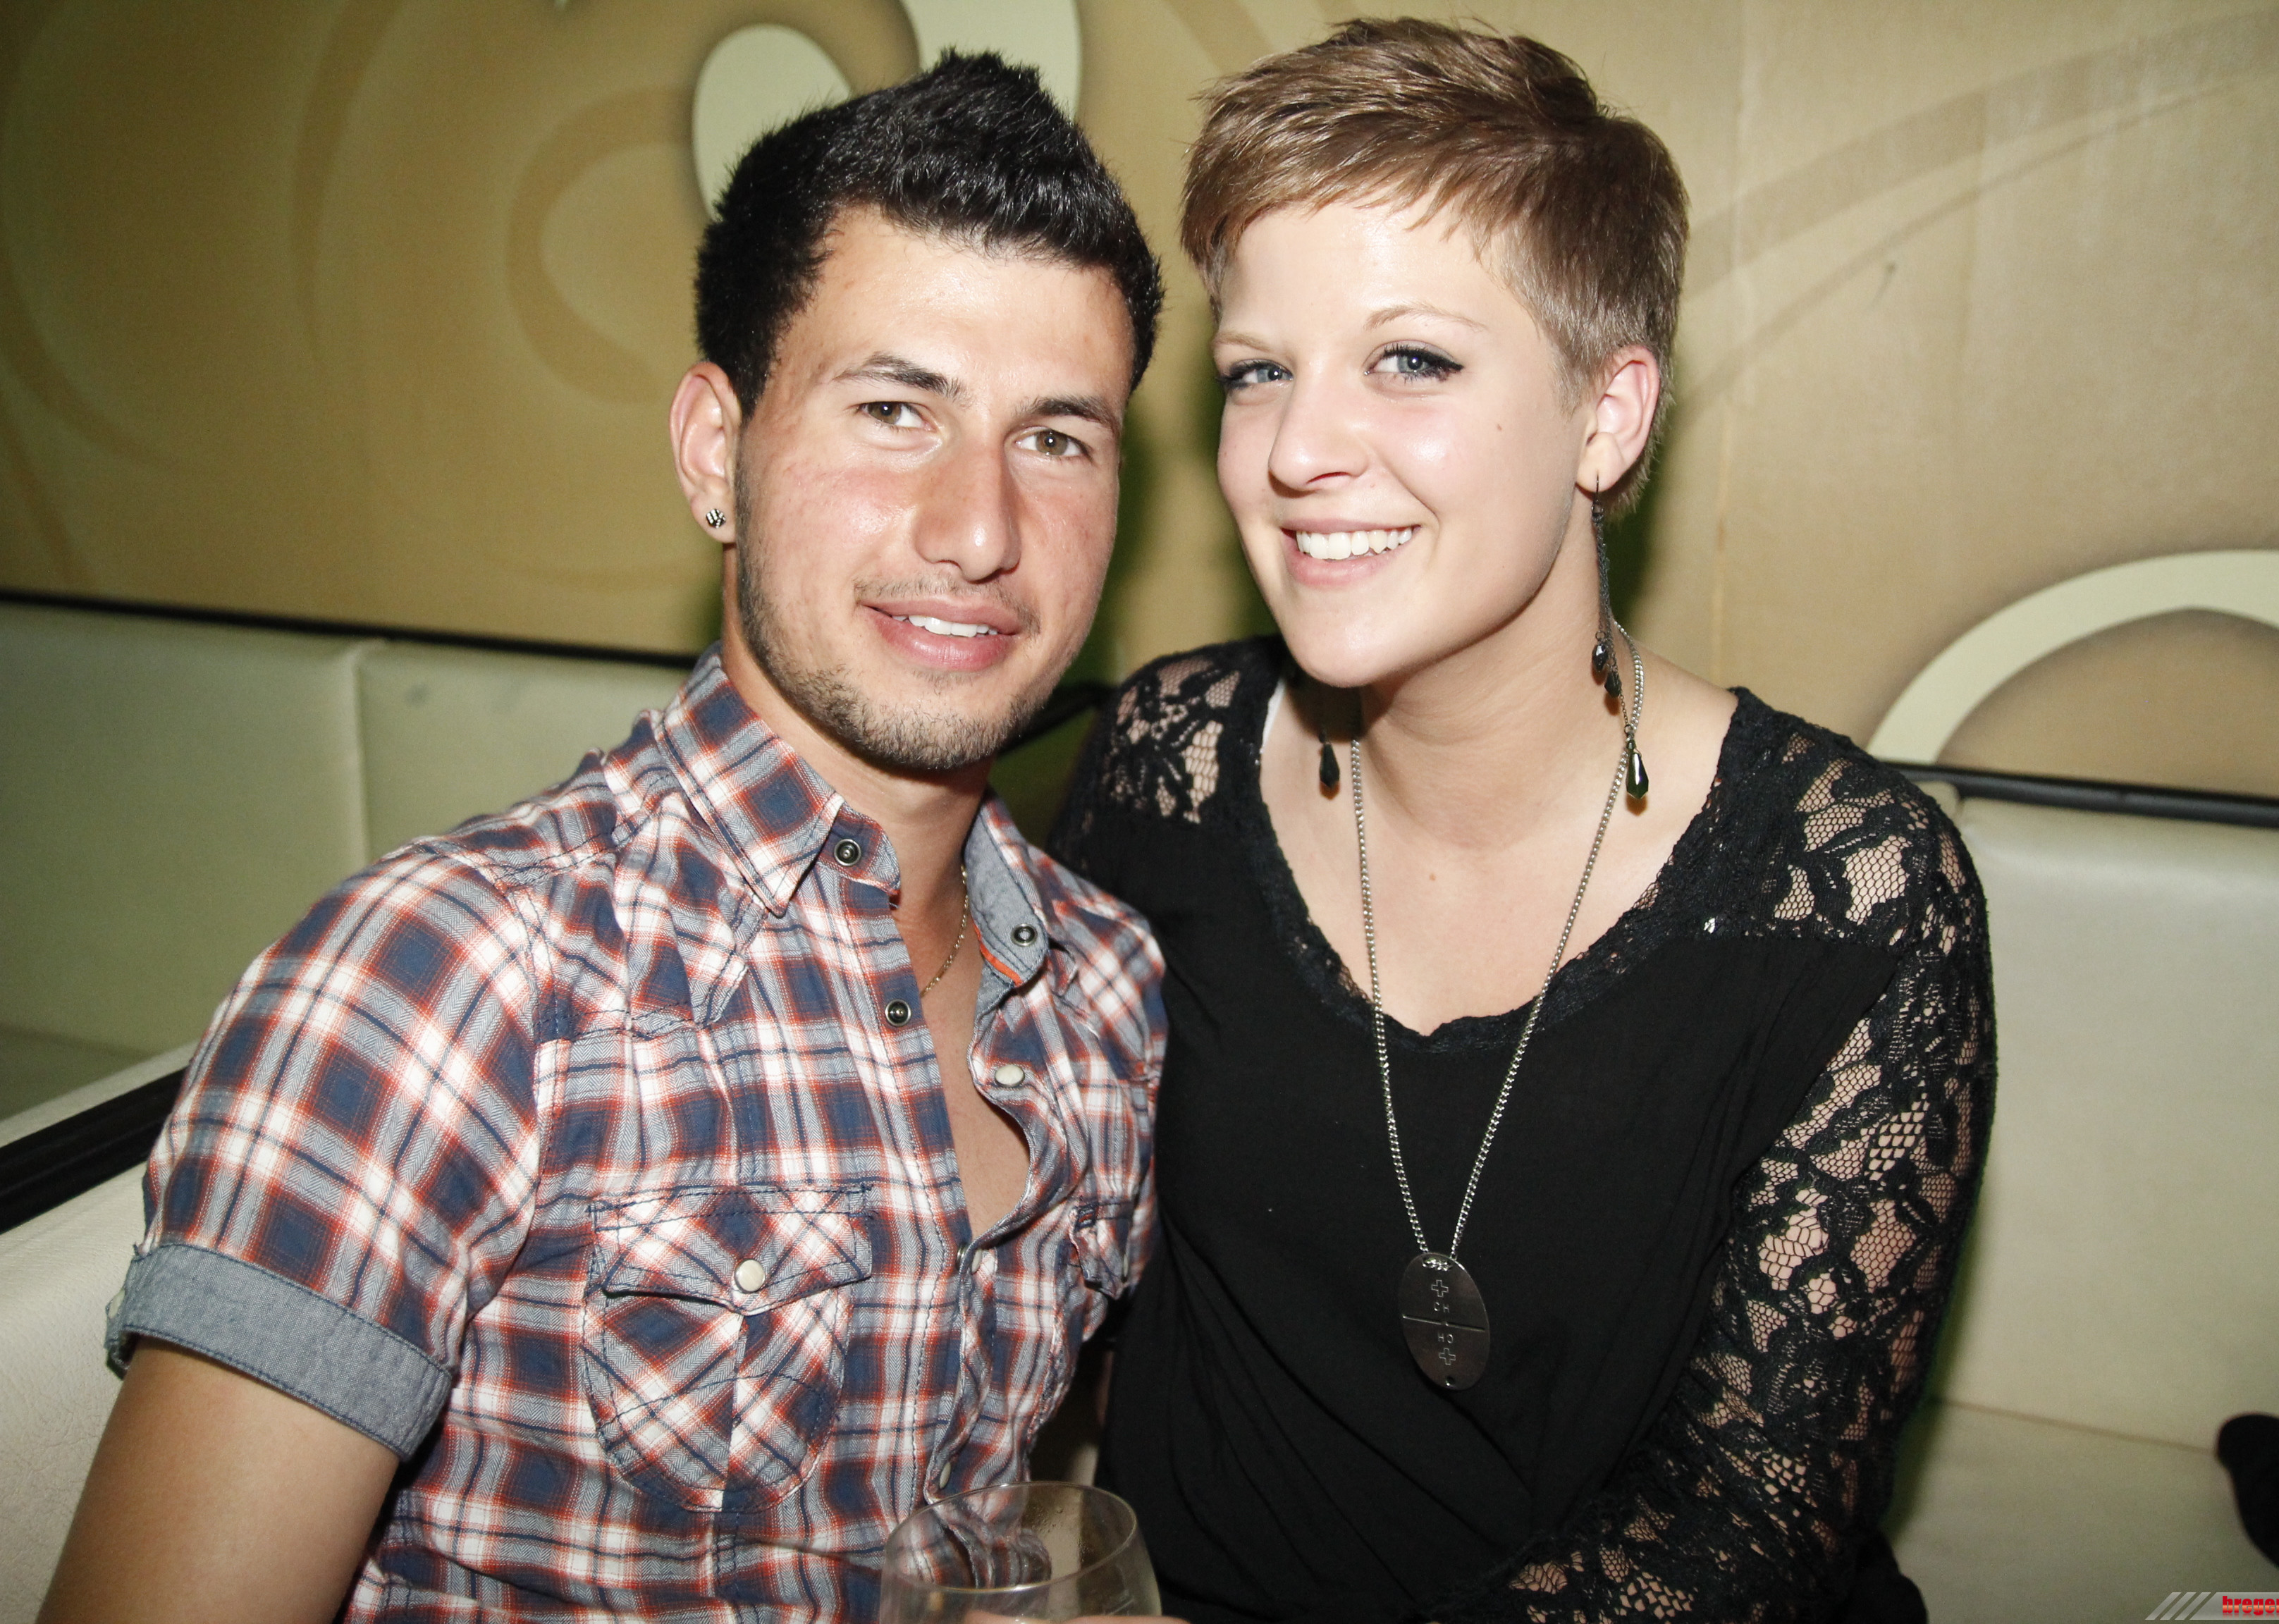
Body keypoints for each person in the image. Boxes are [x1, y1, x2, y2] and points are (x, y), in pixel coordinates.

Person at [42, 54, 1166, 1623]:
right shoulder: (436, 986)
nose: (979, 530)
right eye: (893, 409)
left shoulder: (1109, 991)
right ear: (716, 453)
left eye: (1058, 439)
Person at [1050, 20, 1994, 1623]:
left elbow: (1744, 1521)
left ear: (1607, 416)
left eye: (1411, 361)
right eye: (1260, 371)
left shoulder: (1852, 898)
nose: (1296, 452)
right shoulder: (1164, 763)